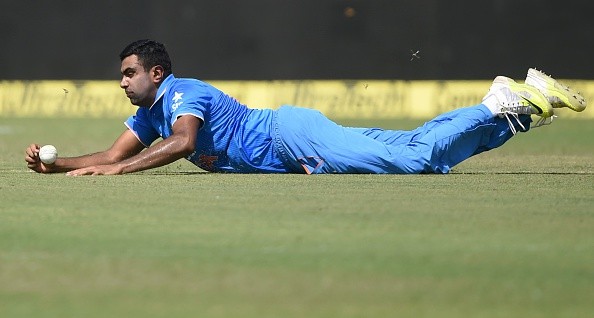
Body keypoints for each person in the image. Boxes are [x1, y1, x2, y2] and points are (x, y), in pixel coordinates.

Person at [25, 39, 586, 175]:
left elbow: (185, 143)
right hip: (294, 148)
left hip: (289, 135)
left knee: (413, 161)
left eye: (129, 74)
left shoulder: (181, 94)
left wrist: (120, 171)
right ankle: (514, 108)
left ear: (156, 73)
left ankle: (497, 103)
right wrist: (62, 164)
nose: (122, 82)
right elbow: (109, 151)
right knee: (418, 152)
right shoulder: (148, 113)